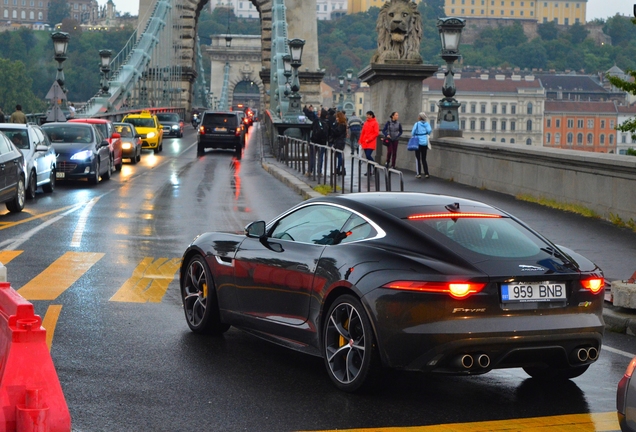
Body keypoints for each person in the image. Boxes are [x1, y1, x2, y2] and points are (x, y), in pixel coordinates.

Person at [412, 112, 433, 179]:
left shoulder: (417, 124)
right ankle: (426, 173)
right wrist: (426, 134)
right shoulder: (427, 124)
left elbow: (413, 132)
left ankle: (419, 173)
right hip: (425, 142)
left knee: (418, 158)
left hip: (418, 142)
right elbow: (429, 130)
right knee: (424, 158)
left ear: (419, 117)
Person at [310, 108, 330, 176]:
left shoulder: (316, 120)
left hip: (314, 141)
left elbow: (311, 127)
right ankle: (319, 171)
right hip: (323, 142)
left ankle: (310, 170)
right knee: (320, 156)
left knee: (312, 155)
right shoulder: (327, 122)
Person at [332, 111, 348, 175]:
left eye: (337, 117)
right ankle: (339, 169)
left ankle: (340, 169)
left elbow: (337, 133)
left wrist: (332, 129)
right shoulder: (341, 124)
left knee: (339, 155)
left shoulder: (341, 125)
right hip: (339, 141)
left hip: (339, 141)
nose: (336, 118)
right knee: (338, 155)